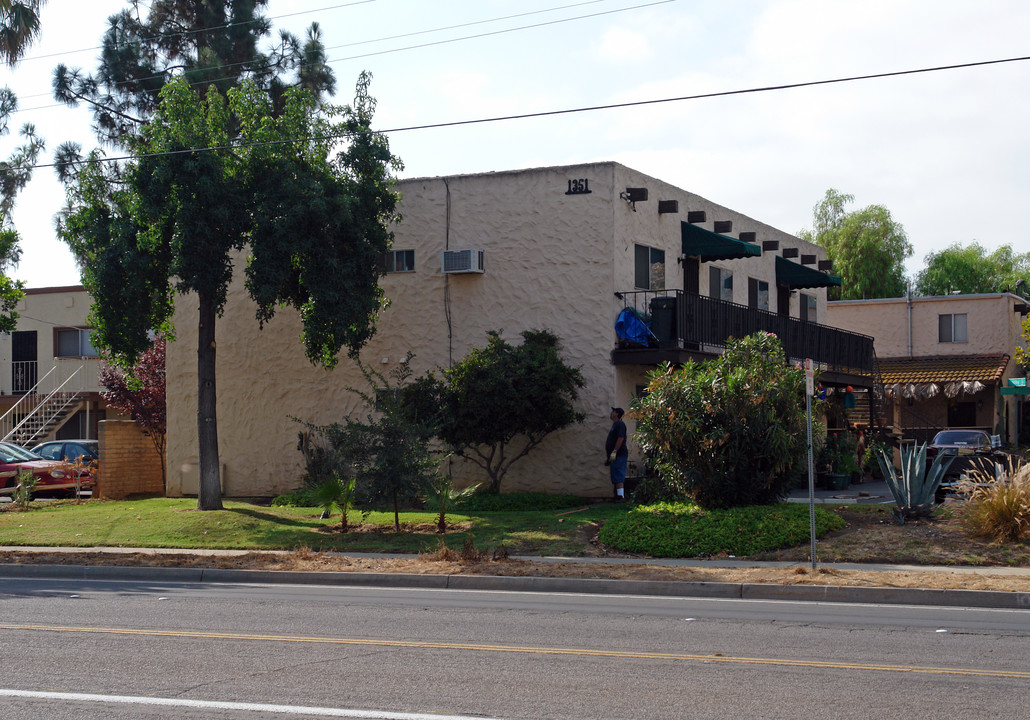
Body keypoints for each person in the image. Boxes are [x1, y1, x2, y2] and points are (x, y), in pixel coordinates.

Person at [605, 407, 628, 501]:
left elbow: (620, 438)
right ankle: (617, 496)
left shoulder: (620, 424)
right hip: (614, 455)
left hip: (619, 454)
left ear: (617, 414)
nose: (611, 413)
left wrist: (614, 451)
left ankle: (620, 497)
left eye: (613, 412)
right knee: (615, 474)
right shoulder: (615, 424)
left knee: (618, 473)